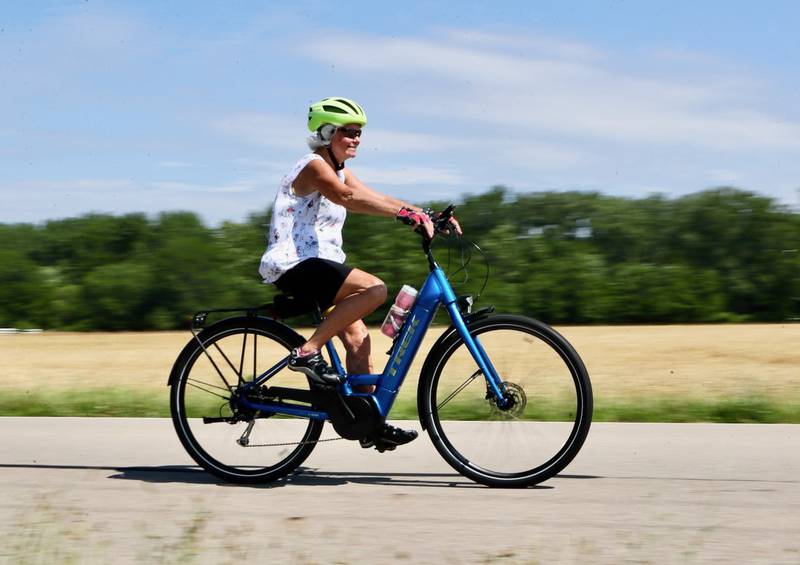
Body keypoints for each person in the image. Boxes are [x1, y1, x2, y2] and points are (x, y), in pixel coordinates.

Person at [259, 96, 460, 450]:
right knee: (375, 289)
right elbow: (347, 198)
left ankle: (368, 420)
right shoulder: (313, 166)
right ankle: (308, 352)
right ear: (326, 133)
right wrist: (404, 216)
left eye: (358, 133)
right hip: (293, 264)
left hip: (321, 264)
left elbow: (371, 195)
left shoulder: (337, 168)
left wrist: (424, 214)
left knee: (358, 341)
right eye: (348, 132)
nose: (356, 139)